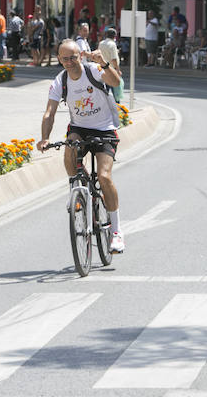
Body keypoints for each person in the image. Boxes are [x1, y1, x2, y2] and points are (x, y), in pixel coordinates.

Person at [37, 39, 124, 253]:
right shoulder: (61, 81)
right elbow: (50, 112)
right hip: (80, 128)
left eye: (73, 57)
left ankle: (116, 232)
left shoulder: (93, 71)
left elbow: (115, 82)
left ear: (80, 56)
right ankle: (78, 188)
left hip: (105, 129)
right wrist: (45, 137)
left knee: (104, 177)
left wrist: (103, 63)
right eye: (65, 59)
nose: (69, 62)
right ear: (59, 59)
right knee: (70, 150)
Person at [99, 27, 124, 101]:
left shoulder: (101, 43)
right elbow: (114, 59)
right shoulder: (112, 44)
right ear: (115, 36)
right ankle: (117, 108)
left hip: (102, 69)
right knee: (116, 92)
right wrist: (118, 70)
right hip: (111, 70)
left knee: (105, 91)